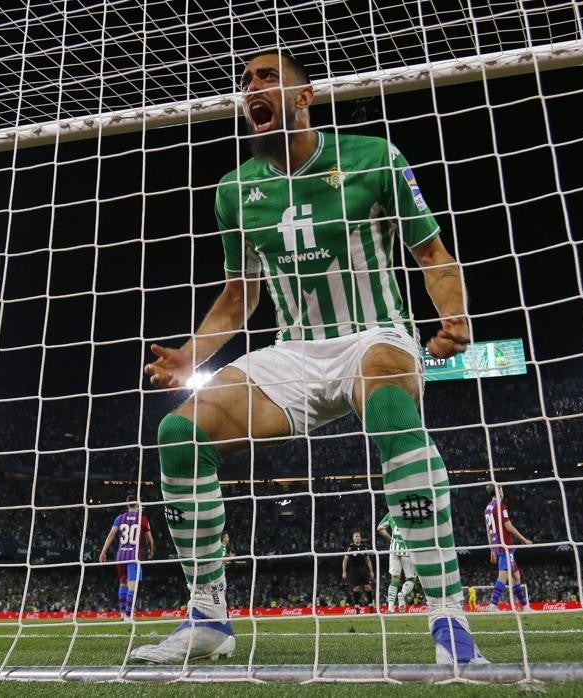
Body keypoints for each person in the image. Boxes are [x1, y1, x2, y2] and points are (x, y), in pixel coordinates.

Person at [135, 51, 483, 664]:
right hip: (293, 353)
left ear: (304, 97)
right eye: (245, 82)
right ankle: (209, 615)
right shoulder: (235, 191)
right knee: (178, 432)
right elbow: (239, 295)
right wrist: (187, 357)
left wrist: (452, 316)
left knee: (385, 392)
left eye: (267, 77)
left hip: (374, 335)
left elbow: (432, 253)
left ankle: (449, 620)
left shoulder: (375, 157)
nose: (252, 89)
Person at [98, 493, 154, 618]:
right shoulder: (142, 519)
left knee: (122, 582)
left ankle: (123, 613)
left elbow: (111, 534)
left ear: (128, 504)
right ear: (138, 504)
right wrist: (151, 550)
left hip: (121, 555)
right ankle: (128, 614)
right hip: (133, 555)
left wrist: (103, 551)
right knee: (132, 586)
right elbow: (149, 539)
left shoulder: (120, 518)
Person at [484, 484, 533, 612]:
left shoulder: (488, 508)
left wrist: (491, 549)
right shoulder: (500, 506)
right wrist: (524, 540)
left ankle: (525, 607)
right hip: (505, 545)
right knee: (503, 576)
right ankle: (493, 605)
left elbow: (488, 531)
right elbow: (509, 527)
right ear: (499, 491)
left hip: (498, 545)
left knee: (516, 575)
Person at [377, 511, 416, 612]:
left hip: (394, 549)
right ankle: (402, 594)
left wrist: (391, 539)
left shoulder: (391, 513)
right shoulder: (411, 512)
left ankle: (390, 608)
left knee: (394, 578)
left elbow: (380, 528)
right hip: (408, 550)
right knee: (411, 578)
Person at [342, 531, 376, 609]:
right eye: (356, 536)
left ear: (360, 538)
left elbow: (367, 560)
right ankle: (357, 607)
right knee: (356, 588)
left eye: (358, 536)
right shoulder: (350, 548)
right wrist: (344, 571)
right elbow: (345, 559)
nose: (357, 538)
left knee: (368, 587)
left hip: (363, 569)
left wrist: (371, 571)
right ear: (353, 538)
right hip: (354, 570)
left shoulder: (364, 547)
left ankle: (371, 606)